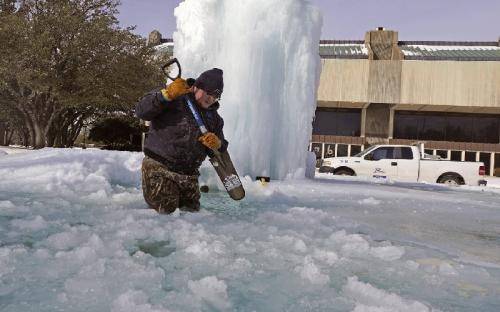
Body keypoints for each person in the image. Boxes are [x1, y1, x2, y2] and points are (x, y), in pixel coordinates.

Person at [135, 68, 228, 214]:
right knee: (166, 212)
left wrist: (217, 144)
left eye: (216, 96)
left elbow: (220, 148)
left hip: (189, 175)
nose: (211, 99)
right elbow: (141, 111)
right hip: (159, 168)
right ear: (196, 86)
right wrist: (165, 96)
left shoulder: (215, 119)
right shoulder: (174, 96)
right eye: (208, 93)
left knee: (192, 216)